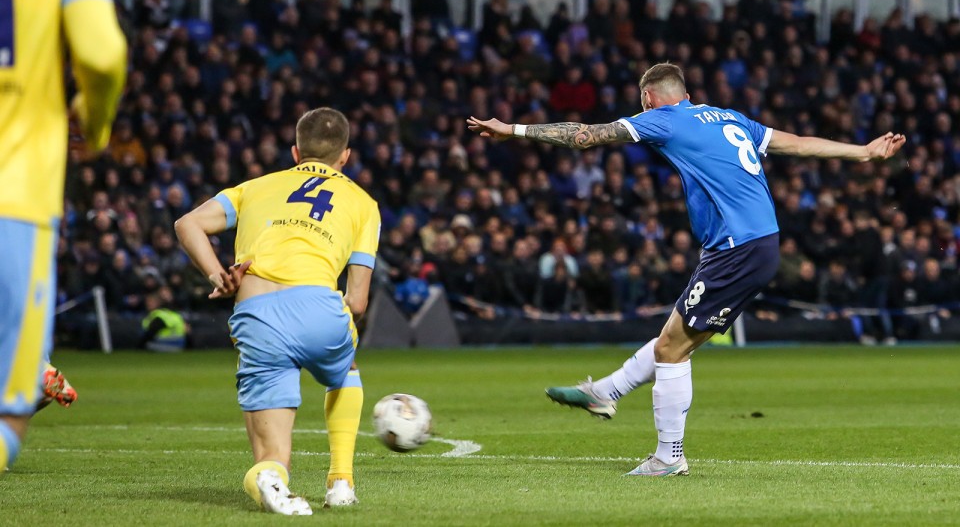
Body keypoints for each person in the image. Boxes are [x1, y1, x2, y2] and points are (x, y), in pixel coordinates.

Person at [467, 62, 905, 477]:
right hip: (757, 242)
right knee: (674, 338)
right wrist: (863, 153)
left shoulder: (665, 119)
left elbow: (584, 136)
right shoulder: (729, 117)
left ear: (648, 98)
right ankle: (604, 392)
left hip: (737, 247)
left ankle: (667, 456)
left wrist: (514, 130)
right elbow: (797, 142)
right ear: (690, 95)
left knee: (672, 350)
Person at [175, 108, 379, 514]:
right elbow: (357, 302)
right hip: (319, 307)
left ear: (295, 152)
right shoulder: (363, 203)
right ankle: (340, 481)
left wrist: (218, 276)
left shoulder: (256, 187)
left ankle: (271, 480)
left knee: (271, 454)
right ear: (346, 156)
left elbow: (187, 224)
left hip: (257, 314)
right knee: (346, 368)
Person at [0, 0, 126, 472]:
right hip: (16, 190)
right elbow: (102, 54)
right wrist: (95, 124)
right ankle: (37, 372)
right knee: (10, 412)